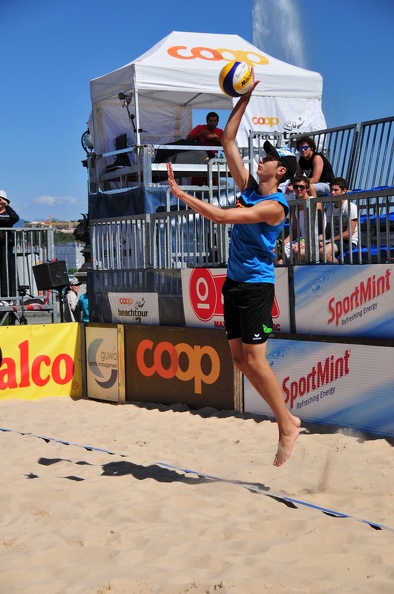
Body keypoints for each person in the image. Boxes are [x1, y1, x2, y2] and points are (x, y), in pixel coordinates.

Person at [167, 71, 300, 467]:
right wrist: (243, 97)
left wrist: (181, 194)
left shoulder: (276, 206)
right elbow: (227, 140)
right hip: (235, 284)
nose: (263, 158)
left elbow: (224, 217)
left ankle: (287, 424)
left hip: (257, 287)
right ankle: (286, 419)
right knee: (240, 361)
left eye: (270, 158)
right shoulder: (247, 185)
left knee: (256, 361)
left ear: (280, 173)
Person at [283, 176, 325, 263]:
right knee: (277, 252)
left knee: (298, 252)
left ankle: (299, 275)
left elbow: (320, 228)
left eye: (302, 187)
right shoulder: (295, 206)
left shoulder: (315, 203)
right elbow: (294, 231)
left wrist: (304, 241)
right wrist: (283, 243)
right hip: (300, 239)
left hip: (314, 239)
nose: (299, 189)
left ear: (307, 188)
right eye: (296, 187)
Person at [319, 177, 359, 263]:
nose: (332, 193)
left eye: (335, 190)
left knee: (324, 252)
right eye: (331, 190)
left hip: (348, 242)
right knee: (307, 252)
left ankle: (340, 273)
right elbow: (328, 230)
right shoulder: (330, 208)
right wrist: (321, 240)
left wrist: (329, 240)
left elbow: (349, 233)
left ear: (344, 190)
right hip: (334, 241)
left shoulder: (351, 207)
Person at [0, 190, 19, 298]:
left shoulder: (9, 213)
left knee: (6, 270)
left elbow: (15, 218)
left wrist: (7, 206)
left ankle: (6, 295)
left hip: (6, 244)